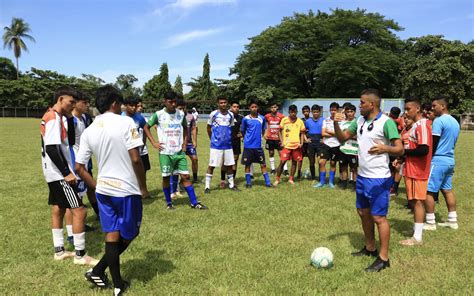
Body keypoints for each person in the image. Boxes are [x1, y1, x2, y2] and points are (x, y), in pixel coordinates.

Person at [75, 85, 148, 294]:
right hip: (126, 190)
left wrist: (97, 185)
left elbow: (79, 167)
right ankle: (102, 273)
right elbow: (136, 158)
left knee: (112, 235)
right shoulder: (126, 122)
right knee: (130, 233)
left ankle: (114, 283)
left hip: (104, 192)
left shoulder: (89, 130)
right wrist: (143, 187)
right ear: (115, 103)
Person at [333, 89, 403, 272]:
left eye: (362, 102)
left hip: (379, 178)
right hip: (362, 176)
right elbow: (342, 139)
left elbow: (400, 149)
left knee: (379, 217)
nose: (359, 105)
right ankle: (370, 248)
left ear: (372, 104)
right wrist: (335, 123)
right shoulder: (360, 121)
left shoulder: (386, 122)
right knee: (363, 212)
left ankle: (384, 258)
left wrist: (385, 148)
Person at [40, 87, 98, 265]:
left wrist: (70, 116)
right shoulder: (52, 118)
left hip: (52, 173)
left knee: (58, 208)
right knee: (80, 210)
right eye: (70, 102)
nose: (72, 105)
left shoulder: (59, 117)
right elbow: (51, 148)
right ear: (60, 99)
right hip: (58, 174)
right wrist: (66, 173)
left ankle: (59, 251)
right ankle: (80, 255)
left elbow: (71, 141)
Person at [144, 92, 207, 210]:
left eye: (175, 102)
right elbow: (146, 127)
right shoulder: (159, 114)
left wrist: (184, 142)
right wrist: (154, 142)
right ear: (165, 101)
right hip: (165, 153)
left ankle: (194, 202)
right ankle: (169, 203)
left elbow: (185, 127)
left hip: (179, 152)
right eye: (170, 102)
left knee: (186, 177)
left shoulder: (181, 114)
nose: (173, 104)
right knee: (166, 177)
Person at [397, 98, 432, 246]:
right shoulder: (416, 125)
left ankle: (417, 237)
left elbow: (424, 149)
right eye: (405, 109)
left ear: (418, 109)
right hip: (411, 169)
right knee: (413, 201)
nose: (406, 112)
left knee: (417, 202)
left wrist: (404, 152)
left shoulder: (422, 125)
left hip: (419, 170)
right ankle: (417, 228)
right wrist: (403, 158)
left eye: (408, 109)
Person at [424, 97, 460, 230]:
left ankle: (430, 222)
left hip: (438, 160)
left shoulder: (439, 121)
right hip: (450, 160)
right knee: (447, 190)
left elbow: (434, 142)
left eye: (434, 106)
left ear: (443, 106)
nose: (432, 108)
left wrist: (427, 160)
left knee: (428, 191)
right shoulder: (455, 121)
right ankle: (452, 220)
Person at [205, 96, 239, 193]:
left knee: (229, 165)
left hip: (228, 145)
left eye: (225, 102)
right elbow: (208, 128)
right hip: (216, 146)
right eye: (221, 103)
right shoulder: (213, 114)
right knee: (212, 165)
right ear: (218, 104)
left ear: (227, 103)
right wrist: (212, 139)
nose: (223, 104)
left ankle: (232, 185)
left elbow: (231, 128)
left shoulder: (231, 115)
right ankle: (207, 187)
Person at [122, 96, 151, 198]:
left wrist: (142, 143)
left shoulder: (139, 118)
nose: (134, 108)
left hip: (138, 149)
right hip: (125, 150)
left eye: (135, 106)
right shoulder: (121, 118)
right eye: (131, 106)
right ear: (125, 106)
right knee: (128, 171)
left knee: (142, 169)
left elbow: (145, 129)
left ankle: (143, 190)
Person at [240, 100, 272, 188]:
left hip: (258, 146)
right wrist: (245, 139)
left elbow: (263, 130)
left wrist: (261, 137)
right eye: (252, 107)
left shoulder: (262, 118)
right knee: (248, 164)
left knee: (263, 164)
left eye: (255, 107)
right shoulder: (245, 119)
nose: (254, 108)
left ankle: (268, 182)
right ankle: (248, 182)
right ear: (249, 108)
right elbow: (242, 131)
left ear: (257, 108)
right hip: (248, 146)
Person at [273, 105, 305, 186]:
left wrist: (301, 143)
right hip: (286, 145)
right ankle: (277, 179)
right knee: (282, 162)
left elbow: (302, 133)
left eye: (294, 112)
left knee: (294, 162)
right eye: (291, 112)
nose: (293, 114)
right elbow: (279, 131)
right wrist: (282, 141)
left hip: (296, 146)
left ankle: (291, 179)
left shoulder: (300, 121)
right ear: (289, 112)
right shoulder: (284, 120)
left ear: (297, 112)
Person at [315, 102, 341, 188]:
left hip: (336, 145)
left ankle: (330, 182)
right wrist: (335, 133)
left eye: (335, 110)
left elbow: (341, 134)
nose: (333, 111)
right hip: (326, 144)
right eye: (331, 110)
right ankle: (322, 182)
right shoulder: (326, 120)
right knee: (321, 162)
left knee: (333, 164)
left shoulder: (341, 121)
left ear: (337, 110)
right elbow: (323, 133)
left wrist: (329, 132)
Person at [220, 101, 243, 188]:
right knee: (225, 161)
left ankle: (232, 180)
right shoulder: (227, 116)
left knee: (235, 161)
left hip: (236, 142)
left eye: (237, 107)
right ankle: (222, 180)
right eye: (234, 106)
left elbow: (245, 128)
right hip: (226, 141)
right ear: (231, 107)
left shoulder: (241, 118)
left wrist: (242, 134)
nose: (236, 108)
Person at [178, 100, 199, 183]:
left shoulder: (190, 116)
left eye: (183, 108)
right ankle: (181, 179)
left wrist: (195, 141)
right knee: (179, 161)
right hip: (179, 144)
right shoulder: (175, 117)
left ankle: (195, 178)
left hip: (189, 143)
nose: (182, 110)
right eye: (180, 108)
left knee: (195, 159)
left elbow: (193, 128)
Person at [338, 104, 358, 189]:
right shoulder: (342, 123)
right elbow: (339, 135)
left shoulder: (358, 122)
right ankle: (344, 183)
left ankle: (355, 184)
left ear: (354, 112)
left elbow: (359, 136)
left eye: (351, 111)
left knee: (354, 168)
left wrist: (348, 135)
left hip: (354, 150)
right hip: (343, 149)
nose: (350, 113)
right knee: (343, 167)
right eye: (348, 111)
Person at [264, 103, 287, 175]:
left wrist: (283, 138)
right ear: (270, 108)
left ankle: (285, 169)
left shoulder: (281, 116)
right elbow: (265, 125)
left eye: (275, 107)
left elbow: (284, 128)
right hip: (270, 138)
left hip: (278, 138)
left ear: (277, 108)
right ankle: (273, 169)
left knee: (282, 154)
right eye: (272, 107)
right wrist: (265, 133)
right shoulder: (267, 116)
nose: (273, 108)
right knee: (271, 153)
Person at [304, 104, 324, 181]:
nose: (315, 113)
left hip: (320, 143)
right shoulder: (308, 121)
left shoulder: (323, 120)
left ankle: (320, 177)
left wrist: (324, 139)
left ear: (320, 112)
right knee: (312, 161)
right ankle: (313, 178)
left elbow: (325, 130)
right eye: (314, 112)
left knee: (320, 161)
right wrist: (306, 139)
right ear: (312, 112)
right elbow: (303, 132)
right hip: (311, 144)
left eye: (317, 112)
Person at [298, 105, 311, 179]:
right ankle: (299, 173)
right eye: (304, 111)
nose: (306, 113)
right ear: (302, 112)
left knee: (311, 159)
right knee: (300, 159)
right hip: (302, 142)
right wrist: (304, 139)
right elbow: (301, 132)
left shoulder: (312, 120)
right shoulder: (300, 120)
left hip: (310, 143)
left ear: (309, 112)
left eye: (307, 111)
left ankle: (312, 174)